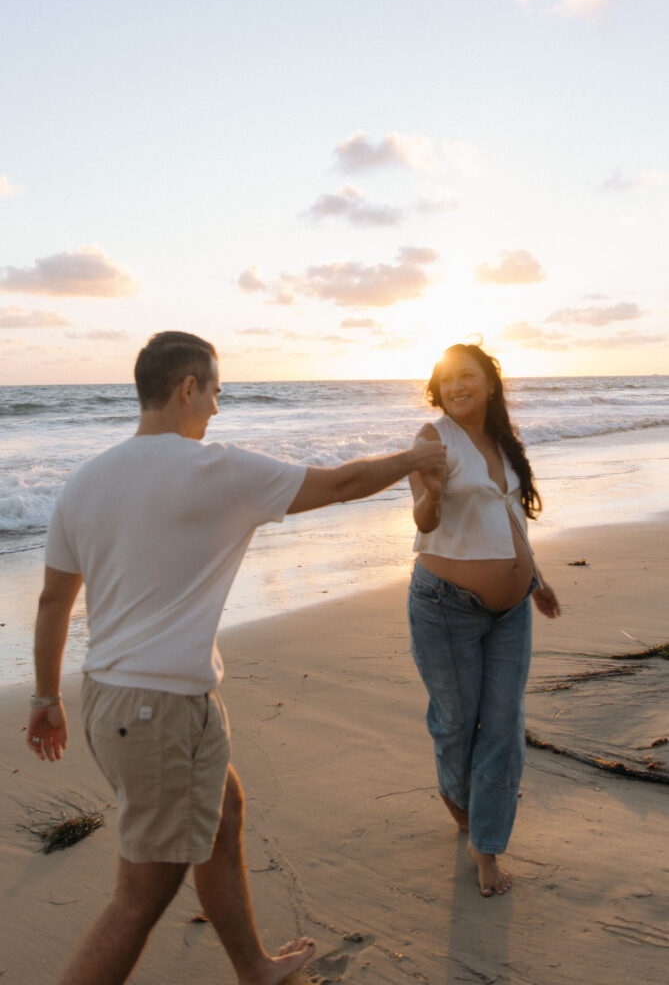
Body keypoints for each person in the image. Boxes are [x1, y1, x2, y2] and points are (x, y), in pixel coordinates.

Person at [26, 330, 446, 985]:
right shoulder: (215, 470)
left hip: (124, 700)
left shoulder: (85, 480)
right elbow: (344, 483)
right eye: (215, 392)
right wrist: (417, 455)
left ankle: (253, 968)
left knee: (224, 814)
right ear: (187, 387)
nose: (217, 410)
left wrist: (45, 697)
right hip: (154, 710)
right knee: (140, 898)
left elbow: (54, 599)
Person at [407, 343, 560, 898]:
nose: (456, 387)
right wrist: (433, 496)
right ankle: (458, 794)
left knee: (503, 725)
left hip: (513, 610)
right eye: (447, 380)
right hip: (445, 607)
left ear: (489, 383)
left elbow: (512, 516)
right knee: (455, 721)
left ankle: (486, 846)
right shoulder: (432, 440)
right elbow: (422, 519)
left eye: (466, 376)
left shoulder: (502, 442)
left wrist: (537, 580)